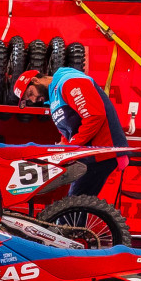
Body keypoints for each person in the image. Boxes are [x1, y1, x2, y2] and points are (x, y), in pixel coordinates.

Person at [49, 44, 125, 200]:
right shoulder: (54, 96)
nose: (34, 99)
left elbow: (95, 115)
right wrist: (64, 147)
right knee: (75, 204)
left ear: (36, 81)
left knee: (73, 205)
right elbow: (67, 130)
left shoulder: (69, 81)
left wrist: (71, 146)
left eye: (30, 94)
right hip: (89, 155)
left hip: (101, 153)